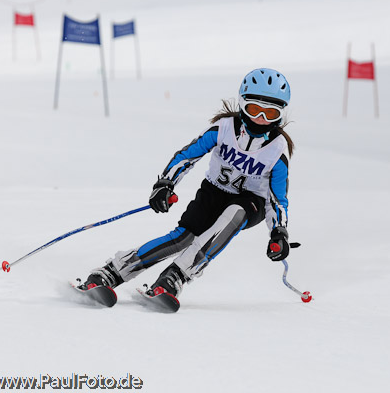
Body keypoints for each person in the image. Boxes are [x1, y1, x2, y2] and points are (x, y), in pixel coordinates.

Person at [79, 68, 294, 304]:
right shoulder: (224, 128)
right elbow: (187, 156)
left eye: (270, 113)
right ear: (243, 104)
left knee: (235, 214)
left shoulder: (277, 149)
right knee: (183, 239)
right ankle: (112, 272)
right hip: (215, 192)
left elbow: (277, 199)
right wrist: (165, 184)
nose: (261, 118)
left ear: (280, 115)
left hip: (251, 202)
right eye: (254, 109)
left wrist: (278, 231)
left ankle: (176, 276)